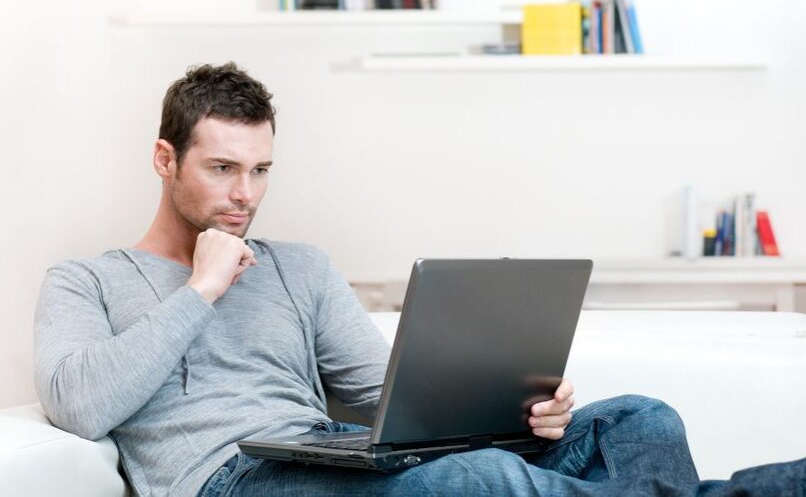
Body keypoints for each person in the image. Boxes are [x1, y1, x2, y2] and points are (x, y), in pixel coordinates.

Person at [35, 62, 706, 496]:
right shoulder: (86, 281)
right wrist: (201, 288)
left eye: (261, 170)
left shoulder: (299, 267)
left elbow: (391, 398)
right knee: (480, 481)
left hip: (329, 457)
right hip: (233, 478)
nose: (246, 195)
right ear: (164, 159)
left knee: (640, 422)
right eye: (222, 169)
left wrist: (513, 406)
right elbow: (82, 404)